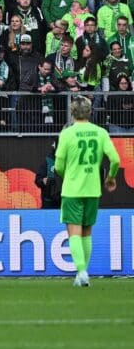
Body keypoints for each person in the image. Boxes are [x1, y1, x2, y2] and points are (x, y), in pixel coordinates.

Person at [54, 95, 122, 287]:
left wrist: (68, 174)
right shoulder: (100, 132)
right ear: (90, 112)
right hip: (93, 189)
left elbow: (58, 165)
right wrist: (110, 177)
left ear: (72, 112)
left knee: (73, 232)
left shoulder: (67, 134)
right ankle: (82, 273)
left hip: (72, 189)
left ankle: (82, 271)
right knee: (86, 232)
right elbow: (115, 160)